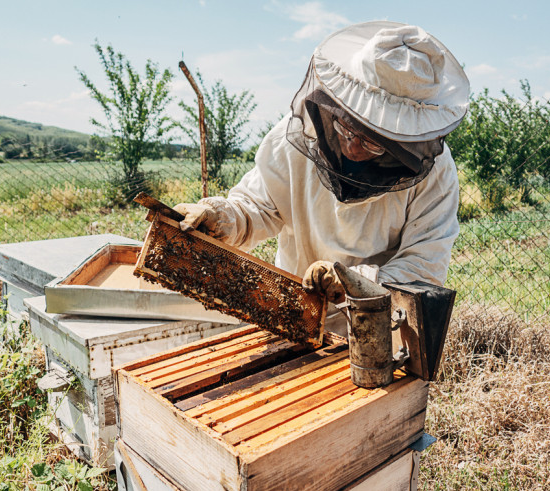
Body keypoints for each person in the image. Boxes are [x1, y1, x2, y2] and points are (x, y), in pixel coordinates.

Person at [174, 21, 469, 305]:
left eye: (372, 142)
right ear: (336, 107)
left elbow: (424, 266)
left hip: (381, 324)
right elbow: (258, 208)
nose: (353, 146)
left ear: (402, 143)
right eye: (345, 127)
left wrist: (356, 282)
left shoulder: (435, 174)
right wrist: (221, 217)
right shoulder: (293, 138)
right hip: (296, 309)